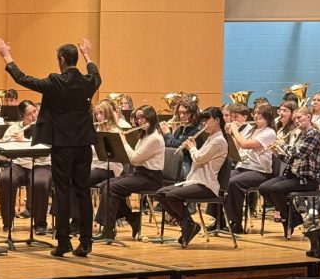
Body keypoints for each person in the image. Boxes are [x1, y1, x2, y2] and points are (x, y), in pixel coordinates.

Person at [0, 35, 100, 257]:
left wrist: (7, 56)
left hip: (62, 145)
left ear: (61, 60)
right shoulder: (89, 82)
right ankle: (86, 242)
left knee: (62, 192)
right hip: (83, 145)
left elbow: (23, 79)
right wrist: (87, 53)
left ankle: (63, 242)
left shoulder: (55, 82)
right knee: (82, 192)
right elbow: (96, 73)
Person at [155, 106, 229, 246]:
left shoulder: (219, 140)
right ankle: (187, 224)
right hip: (196, 181)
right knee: (161, 193)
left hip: (206, 185)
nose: (204, 123)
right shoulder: (211, 138)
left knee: (172, 196)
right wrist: (194, 146)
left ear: (217, 120)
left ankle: (188, 224)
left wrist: (191, 147)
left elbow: (199, 158)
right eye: (202, 121)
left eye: (207, 120)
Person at [93, 105, 166, 241]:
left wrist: (124, 142)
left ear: (151, 118)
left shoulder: (154, 138)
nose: (140, 121)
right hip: (140, 174)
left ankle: (108, 230)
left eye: (143, 117)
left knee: (111, 187)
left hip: (151, 178)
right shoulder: (145, 135)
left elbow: (134, 159)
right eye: (138, 118)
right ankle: (132, 217)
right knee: (105, 185)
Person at [259, 108, 320, 237]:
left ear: (309, 117)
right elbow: (290, 159)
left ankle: (286, 217)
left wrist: (282, 145)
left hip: (307, 179)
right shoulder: (299, 135)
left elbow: (299, 153)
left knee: (276, 189)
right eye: (295, 119)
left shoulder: (313, 134)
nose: (297, 121)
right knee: (264, 188)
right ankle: (291, 214)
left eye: (299, 118)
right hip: (292, 175)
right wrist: (276, 152)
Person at [0, 99, 51, 235]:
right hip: (20, 164)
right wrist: (6, 145)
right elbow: (2, 156)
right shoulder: (14, 128)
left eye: (35, 111)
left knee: (39, 182)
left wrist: (24, 142)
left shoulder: (47, 127)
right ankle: (7, 222)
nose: (34, 116)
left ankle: (40, 224)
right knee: (4, 178)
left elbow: (45, 153)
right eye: (29, 114)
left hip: (41, 165)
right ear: (22, 117)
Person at [223, 103, 277, 234]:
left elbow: (246, 145)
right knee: (220, 179)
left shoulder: (269, 132)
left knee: (234, 183)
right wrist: (230, 133)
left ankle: (236, 222)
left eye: (260, 113)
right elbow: (238, 148)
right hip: (244, 167)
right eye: (256, 113)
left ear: (268, 116)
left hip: (260, 171)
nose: (257, 115)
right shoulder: (250, 129)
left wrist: (235, 130)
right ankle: (218, 220)